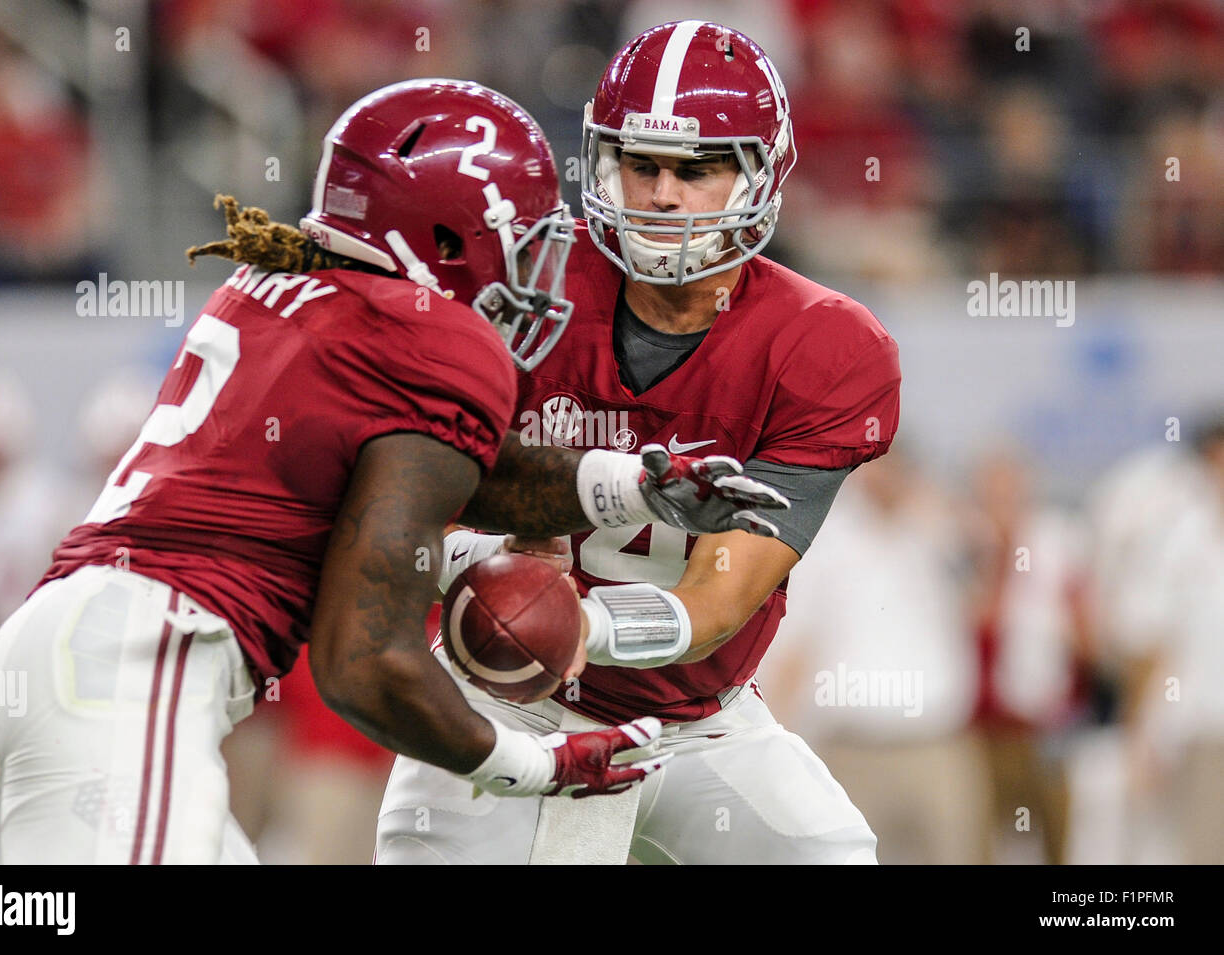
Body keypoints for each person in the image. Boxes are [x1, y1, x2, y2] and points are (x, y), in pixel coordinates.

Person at [0, 78, 785, 864]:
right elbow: (365, 662)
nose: (533, 272)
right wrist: (537, 764)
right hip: (137, 666)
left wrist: (629, 485)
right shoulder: (433, 339)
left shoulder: (278, 283)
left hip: (77, 646)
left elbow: (444, 471)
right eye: (523, 239)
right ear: (445, 235)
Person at [375, 22, 902, 865]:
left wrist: (572, 620)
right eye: (641, 163)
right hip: (508, 707)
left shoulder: (824, 345)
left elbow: (718, 599)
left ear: (760, 175)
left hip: (699, 724)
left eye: (697, 169)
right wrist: (488, 567)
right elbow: (398, 522)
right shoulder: (519, 287)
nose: (661, 194)